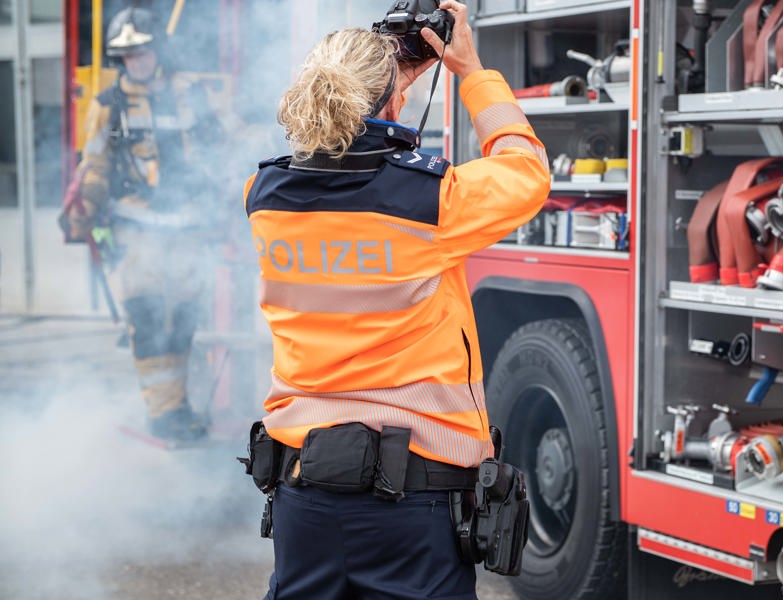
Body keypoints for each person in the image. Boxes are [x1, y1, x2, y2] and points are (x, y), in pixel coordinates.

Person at [241, 2, 549, 598]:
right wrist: (470, 71)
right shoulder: (432, 202)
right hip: (415, 506)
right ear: (388, 104)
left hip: (303, 495)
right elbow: (526, 169)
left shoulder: (264, 197)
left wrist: (384, 90)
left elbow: (328, 156)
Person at [68, 6, 228, 443]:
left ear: (157, 49)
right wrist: (83, 211)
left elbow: (221, 149)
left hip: (189, 227)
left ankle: (178, 407)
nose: (134, 61)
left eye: (141, 51)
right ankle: (162, 411)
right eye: (126, 55)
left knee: (184, 319)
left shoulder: (192, 93)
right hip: (137, 230)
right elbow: (96, 167)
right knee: (148, 317)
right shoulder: (107, 106)